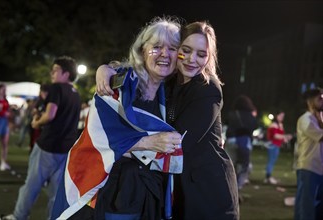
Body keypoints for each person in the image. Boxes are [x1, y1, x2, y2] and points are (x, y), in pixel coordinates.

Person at [96, 21, 239, 220]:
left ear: (209, 57)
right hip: (175, 185)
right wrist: (106, 70)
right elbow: (138, 71)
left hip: (206, 189)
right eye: (185, 50)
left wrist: (122, 145)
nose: (191, 60)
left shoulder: (208, 89)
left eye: (201, 54)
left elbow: (177, 144)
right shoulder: (168, 81)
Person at [51, 17, 183, 220]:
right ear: (142, 51)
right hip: (108, 188)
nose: (165, 53)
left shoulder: (172, 93)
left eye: (172, 48)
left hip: (148, 190)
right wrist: (148, 143)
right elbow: (97, 134)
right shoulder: (119, 82)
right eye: (156, 47)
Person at [0, 56, 81, 220]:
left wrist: (36, 122)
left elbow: (50, 115)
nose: (52, 72)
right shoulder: (76, 94)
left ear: (66, 74)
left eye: (56, 69)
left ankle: (18, 216)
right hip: (65, 149)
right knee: (57, 191)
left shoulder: (56, 88)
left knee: (31, 185)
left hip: (48, 146)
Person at [294, 87, 323, 220]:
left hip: (318, 168)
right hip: (308, 166)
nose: (322, 101)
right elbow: (320, 136)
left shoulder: (318, 120)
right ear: (311, 101)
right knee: (306, 205)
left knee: (316, 206)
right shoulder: (306, 119)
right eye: (320, 98)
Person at [225, 95, 258, 190]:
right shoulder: (251, 116)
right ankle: (238, 186)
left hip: (231, 141)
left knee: (230, 164)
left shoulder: (232, 114)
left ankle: (228, 184)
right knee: (244, 165)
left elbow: (226, 123)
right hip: (245, 142)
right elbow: (255, 126)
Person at [264, 110, 292, 184]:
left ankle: (269, 177)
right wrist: (285, 136)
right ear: (277, 116)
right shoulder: (274, 124)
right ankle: (268, 177)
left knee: (272, 161)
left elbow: (280, 136)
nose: (282, 118)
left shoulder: (280, 124)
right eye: (281, 116)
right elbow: (275, 136)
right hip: (272, 145)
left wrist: (285, 139)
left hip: (277, 145)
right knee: (271, 161)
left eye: (283, 116)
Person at [0, 84, 11, 171]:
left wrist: (8, 114)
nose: (3, 91)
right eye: (2, 89)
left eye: (5, 89)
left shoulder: (6, 101)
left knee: (4, 143)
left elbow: (8, 111)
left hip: (4, 122)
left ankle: (3, 162)